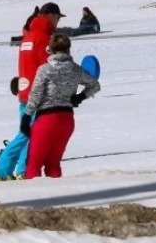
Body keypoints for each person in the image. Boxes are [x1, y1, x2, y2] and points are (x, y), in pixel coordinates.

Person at [0, 4, 61, 181]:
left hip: (25, 91)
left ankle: (22, 170)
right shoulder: (44, 38)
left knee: (29, 134)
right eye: (57, 18)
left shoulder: (28, 37)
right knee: (27, 134)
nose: (58, 22)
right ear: (49, 16)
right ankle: (3, 170)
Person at [21, 32, 100, 178]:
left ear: (50, 49)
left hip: (46, 119)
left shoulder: (45, 69)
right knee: (53, 163)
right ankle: (58, 193)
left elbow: (36, 95)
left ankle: (35, 198)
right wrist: (79, 97)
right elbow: (95, 85)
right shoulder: (76, 69)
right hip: (67, 120)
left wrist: (26, 117)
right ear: (69, 49)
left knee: (33, 164)